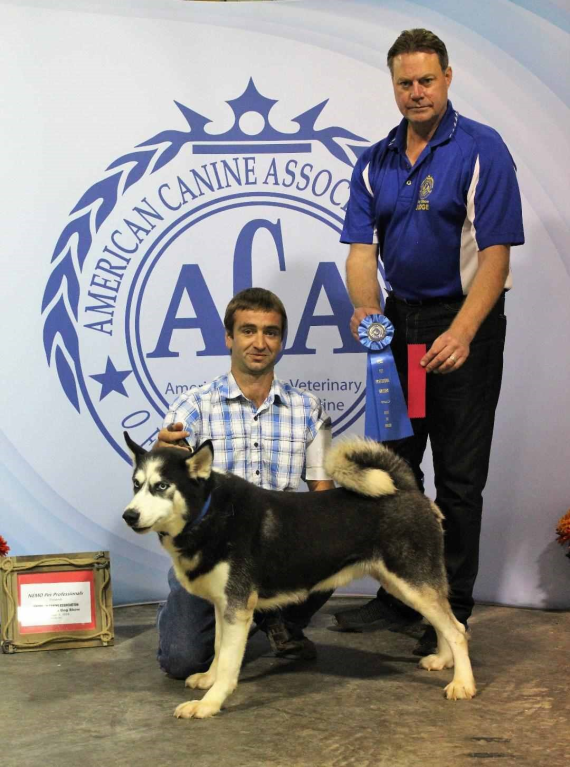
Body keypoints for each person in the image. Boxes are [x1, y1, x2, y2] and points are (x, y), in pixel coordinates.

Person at [335, 28, 524, 655]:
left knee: (461, 479)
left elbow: (494, 260)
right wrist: (367, 312)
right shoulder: (377, 159)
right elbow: (362, 253)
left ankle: (453, 610)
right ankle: (398, 596)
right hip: (402, 331)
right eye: (404, 83)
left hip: (463, 326)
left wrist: (464, 332)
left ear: (448, 77)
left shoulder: (481, 149)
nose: (416, 92)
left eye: (426, 80)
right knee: (396, 471)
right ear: (392, 85)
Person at [154, 287, 334, 680]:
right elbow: (168, 482)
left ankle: (277, 619)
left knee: (337, 545)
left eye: (271, 332)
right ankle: (196, 608)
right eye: (248, 330)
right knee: (181, 662)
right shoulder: (193, 406)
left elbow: (323, 492)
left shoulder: (309, 409)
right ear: (229, 338)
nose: (259, 342)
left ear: (281, 341)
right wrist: (161, 452)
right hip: (211, 554)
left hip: (278, 550)